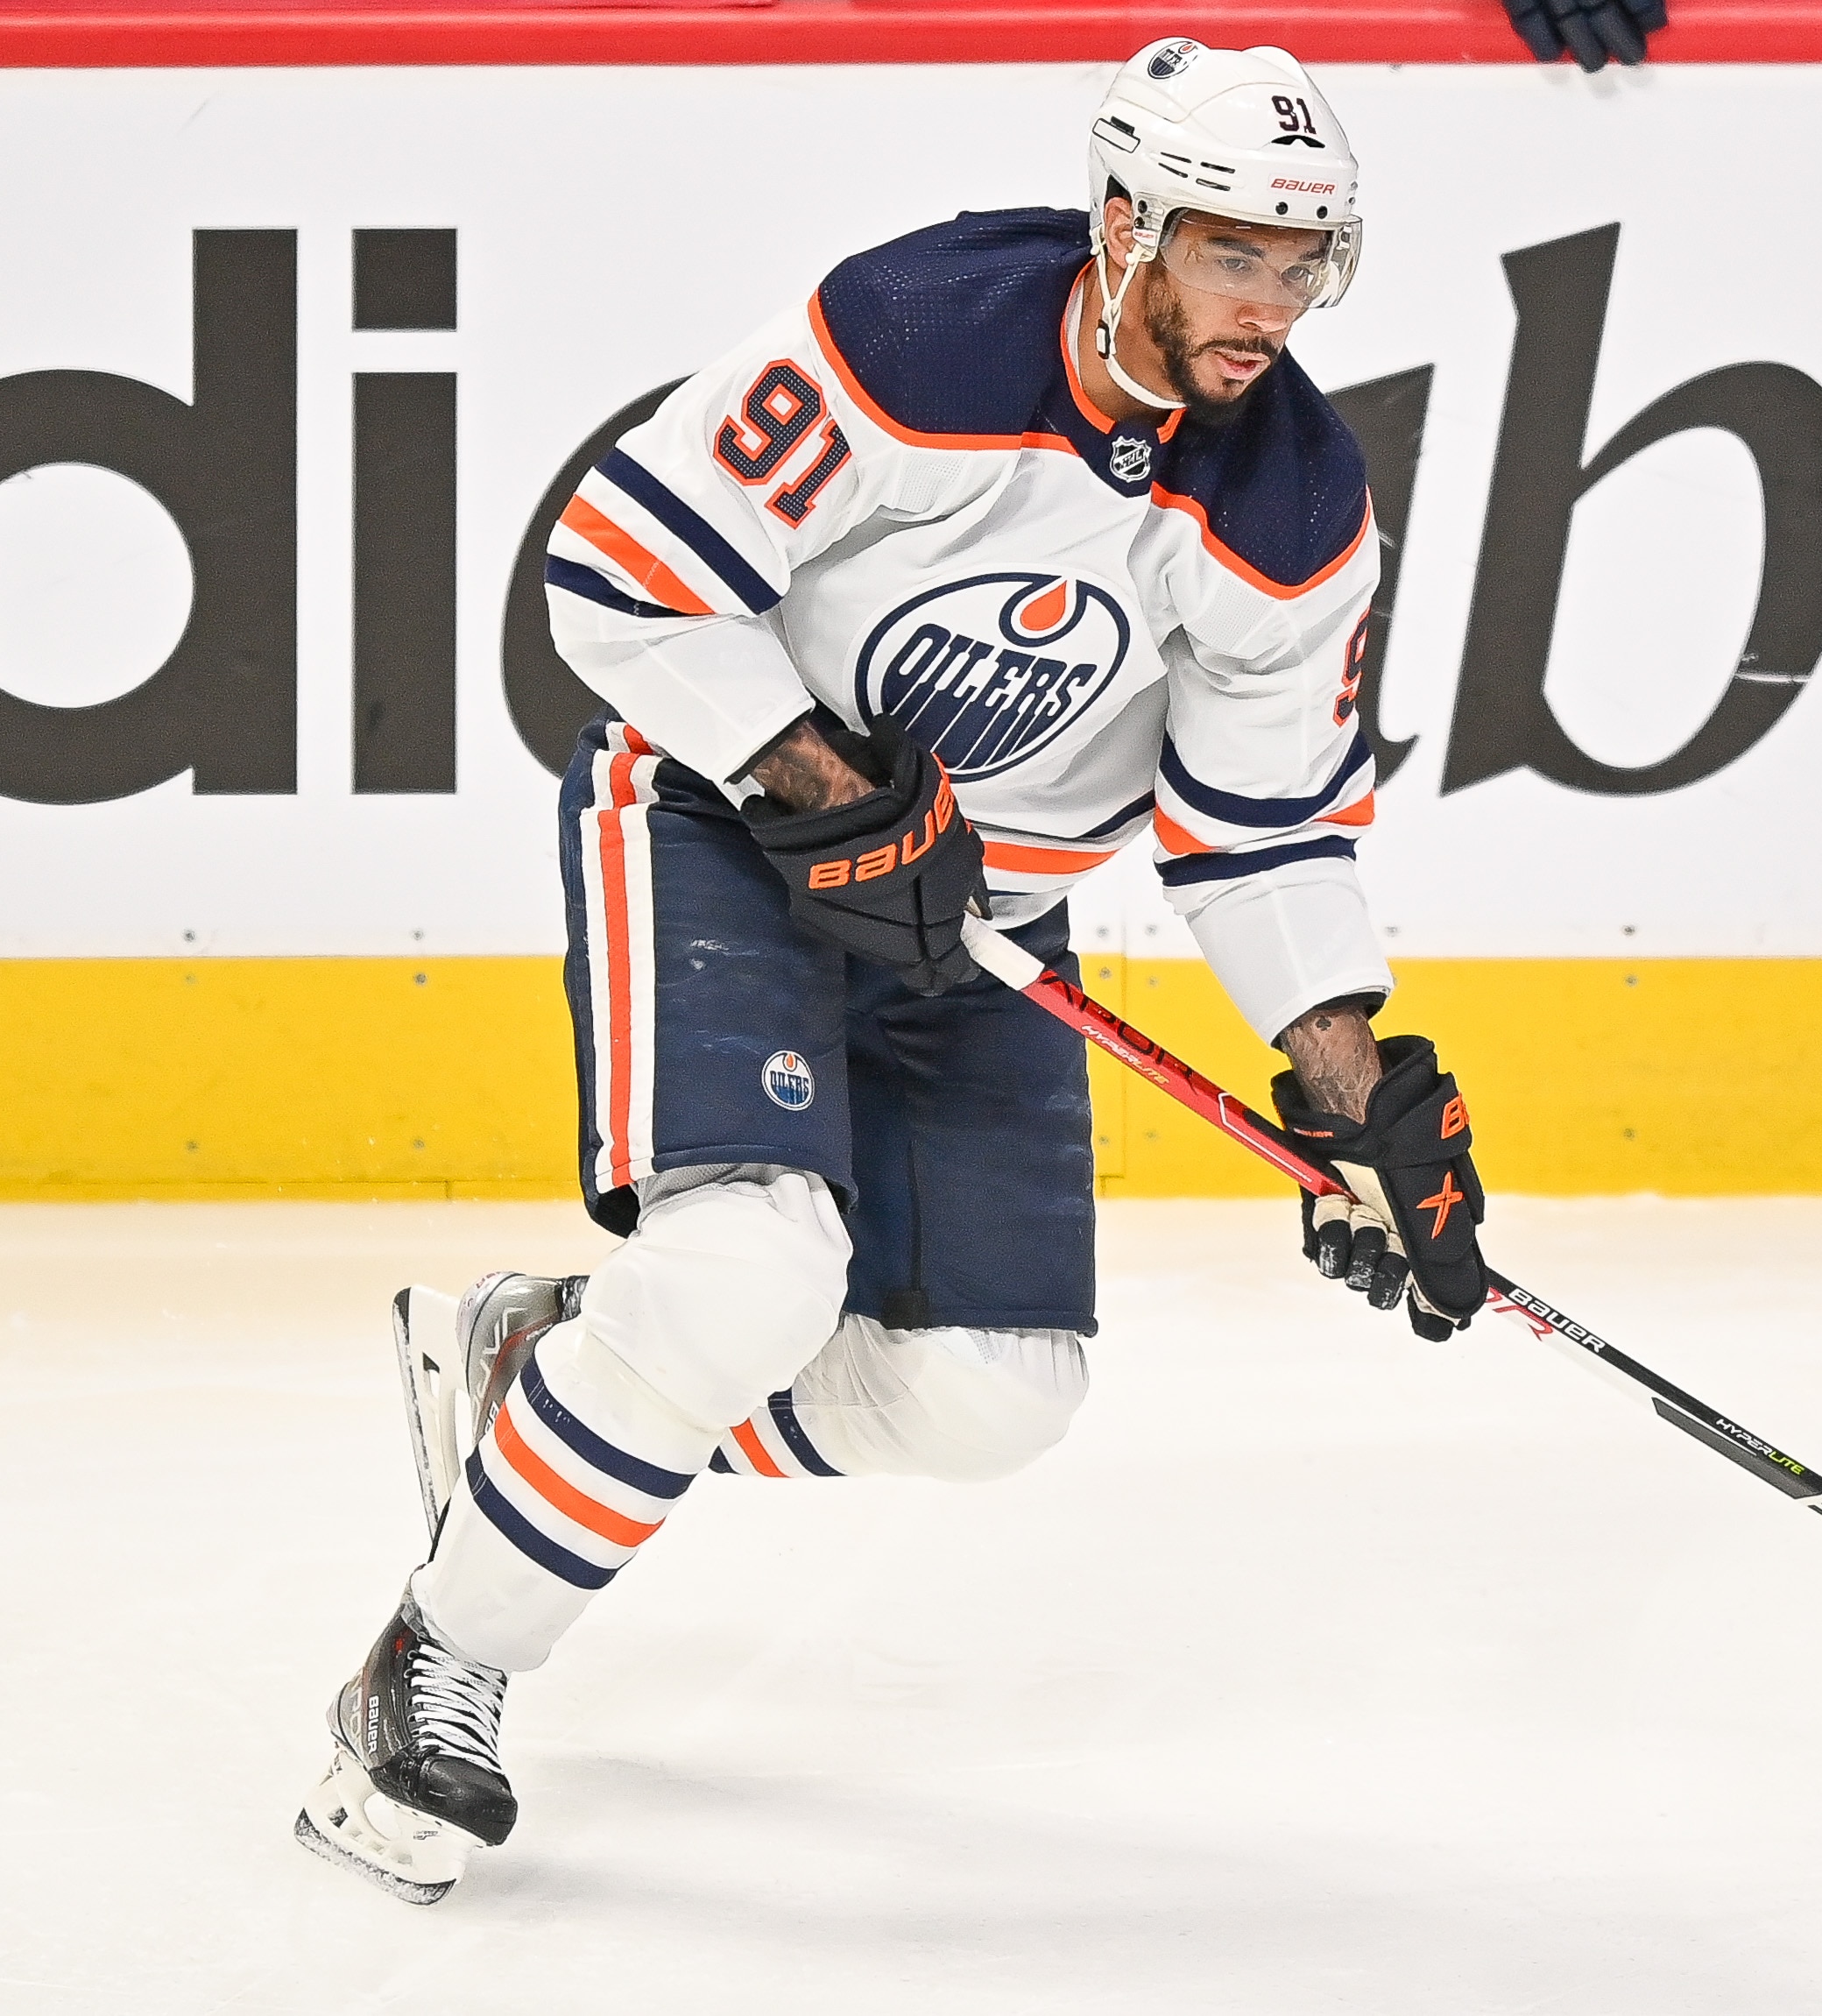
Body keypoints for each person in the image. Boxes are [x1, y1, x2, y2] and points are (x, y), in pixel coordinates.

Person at [293, 37, 1494, 1906]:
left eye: (1301, 263)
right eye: (1230, 254)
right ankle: (436, 1662)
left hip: (975, 925)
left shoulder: (1294, 505)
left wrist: (1356, 1099)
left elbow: (1257, 836)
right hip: (720, 822)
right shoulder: (917, 332)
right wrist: (830, 786)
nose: (1267, 306)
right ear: (1125, 224)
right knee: (747, 1269)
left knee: (992, 1392)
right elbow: (618, 569)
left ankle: (565, 1380)